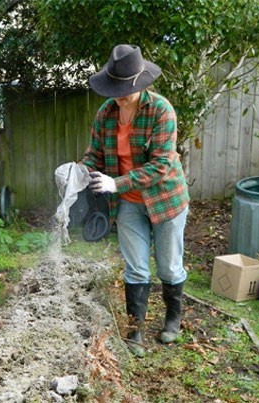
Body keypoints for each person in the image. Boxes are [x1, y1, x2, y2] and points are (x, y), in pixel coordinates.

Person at [79, 44, 189, 357]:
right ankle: (135, 329)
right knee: (136, 268)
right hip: (127, 201)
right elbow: (95, 154)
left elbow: (162, 165)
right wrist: (79, 171)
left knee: (168, 265)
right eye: (115, 89)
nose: (120, 95)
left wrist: (118, 182)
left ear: (141, 83)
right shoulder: (106, 114)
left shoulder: (161, 110)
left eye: (126, 89)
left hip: (166, 199)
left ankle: (172, 319)